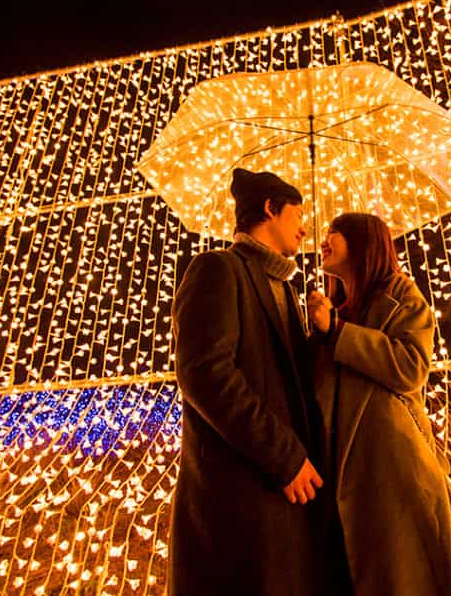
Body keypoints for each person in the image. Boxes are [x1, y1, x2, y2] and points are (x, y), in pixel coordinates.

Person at [306, 212, 451, 596]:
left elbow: (411, 366)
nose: (324, 240)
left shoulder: (401, 293)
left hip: (394, 466)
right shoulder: (333, 307)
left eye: (334, 233)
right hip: (339, 469)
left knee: (406, 575)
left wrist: (337, 333)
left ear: (364, 241)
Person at [168, 168, 325, 596]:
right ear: (270, 209)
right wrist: (285, 456)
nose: (305, 227)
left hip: (283, 499)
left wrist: (324, 332)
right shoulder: (218, 269)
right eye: (297, 214)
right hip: (240, 499)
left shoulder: (286, 292)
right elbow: (206, 373)